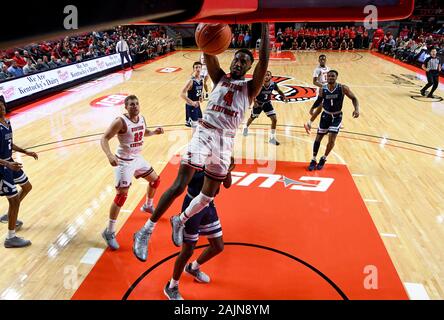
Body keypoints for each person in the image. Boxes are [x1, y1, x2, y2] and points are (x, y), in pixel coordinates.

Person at [133, 23, 270, 262]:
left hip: (225, 142)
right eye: (236, 59)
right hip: (204, 133)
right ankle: (145, 230)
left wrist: (265, 24)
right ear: (231, 61)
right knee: (179, 185)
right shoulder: (219, 77)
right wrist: (209, 19)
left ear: (249, 67)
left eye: (244, 62)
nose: (238, 63)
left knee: (209, 196)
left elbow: (264, 61)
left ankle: (181, 219)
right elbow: (208, 49)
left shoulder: (250, 88)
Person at [164, 158, 234, 300]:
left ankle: (193, 268)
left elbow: (227, 185)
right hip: (192, 205)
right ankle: (171, 287)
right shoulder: (195, 156)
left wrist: (226, 169)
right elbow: (189, 182)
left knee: (218, 246)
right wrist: (213, 170)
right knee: (187, 251)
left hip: (209, 205)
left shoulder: (223, 155)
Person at [100, 95, 164, 250]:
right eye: (131, 105)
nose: (135, 106)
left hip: (137, 158)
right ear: (126, 107)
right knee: (121, 196)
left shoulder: (141, 118)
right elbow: (104, 138)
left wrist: (154, 132)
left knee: (155, 180)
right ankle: (109, 231)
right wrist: (109, 155)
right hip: (123, 162)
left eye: (136, 103)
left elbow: (143, 132)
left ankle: (148, 205)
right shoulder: (120, 121)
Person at [0, 96, 38, 248]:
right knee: (14, 200)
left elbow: (10, 143)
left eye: (2, 106)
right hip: (2, 166)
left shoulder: (7, 122)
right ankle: (10, 237)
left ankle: (10, 215)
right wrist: (7, 164)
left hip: (9, 162)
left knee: (27, 187)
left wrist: (25, 151)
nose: (2, 108)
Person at [304, 70, 359, 171]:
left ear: (336, 77)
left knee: (332, 139)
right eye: (329, 76)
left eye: (332, 76)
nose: (330, 78)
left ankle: (324, 158)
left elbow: (354, 98)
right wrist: (312, 108)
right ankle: (313, 159)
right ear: (326, 77)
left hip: (337, 116)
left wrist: (356, 109)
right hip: (326, 115)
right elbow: (319, 100)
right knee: (318, 139)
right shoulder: (323, 89)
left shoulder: (343, 88)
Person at [242, 70, 289, 145]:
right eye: (265, 75)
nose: (266, 76)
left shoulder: (273, 84)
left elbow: (279, 90)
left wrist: (284, 96)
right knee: (252, 117)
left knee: (274, 119)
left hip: (267, 103)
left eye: (268, 75)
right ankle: (245, 127)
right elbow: (253, 94)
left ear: (271, 77)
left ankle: (272, 138)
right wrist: (255, 102)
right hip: (258, 104)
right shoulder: (259, 85)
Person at [182, 62, 203, 128]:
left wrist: (201, 96)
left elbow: (200, 90)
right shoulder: (191, 81)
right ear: (193, 69)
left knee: (200, 123)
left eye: (199, 67)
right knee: (194, 128)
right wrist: (192, 103)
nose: (198, 69)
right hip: (191, 106)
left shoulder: (201, 80)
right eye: (196, 67)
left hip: (197, 105)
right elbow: (182, 94)